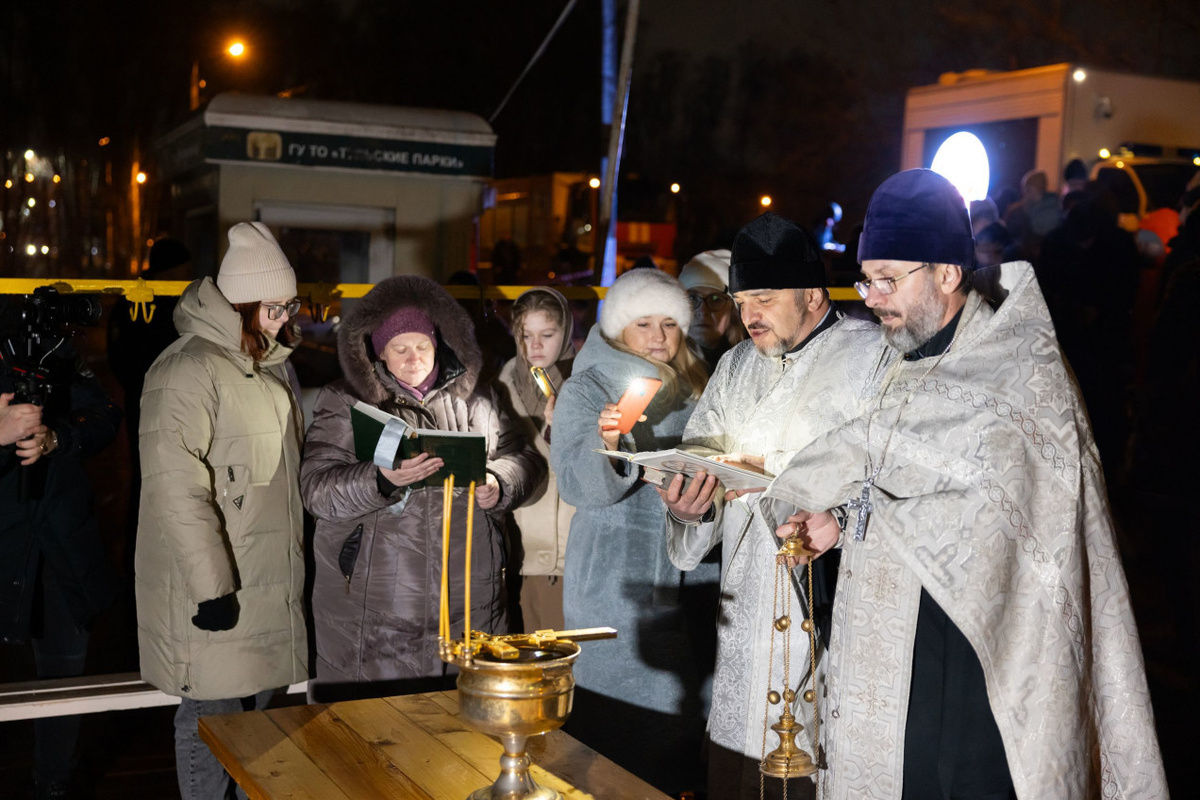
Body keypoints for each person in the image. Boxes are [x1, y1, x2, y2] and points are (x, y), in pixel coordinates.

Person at [762, 169, 1166, 799]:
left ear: (947, 273)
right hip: (887, 647)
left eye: (887, 279)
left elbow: (1001, 515)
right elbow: (875, 463)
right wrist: (830, 510)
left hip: (983, 656)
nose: (869, 296)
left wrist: (867, 516)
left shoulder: (1022, 372)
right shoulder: (898, 358)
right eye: (865, 278)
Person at [660, 212, 879, 799]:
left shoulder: (870, 356)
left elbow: (890, 472)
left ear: (811, 294)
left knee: (814, 757)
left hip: (823, 589)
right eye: (741, 299)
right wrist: (689, 506)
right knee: (739, 756)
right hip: (745, 600)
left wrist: (808, 496)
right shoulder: (734, 366)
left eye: (763, 297)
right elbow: (702, 453)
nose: (748, 314)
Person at [300, 275, 542, 698]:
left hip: (472, 604)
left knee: (465, 737)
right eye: (400, 349)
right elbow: (317, 490)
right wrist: (379, 479)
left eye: (423, 346)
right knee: (381, 740)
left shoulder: (478, 400)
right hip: (378, 614)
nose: (414, 358)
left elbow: (524, 459)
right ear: (378, 352)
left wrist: (499, 482)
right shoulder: (346, 402)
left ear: (440, 345)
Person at [136, 222, 309, 800]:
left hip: (264, 581)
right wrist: (213, 587)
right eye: (275, 306)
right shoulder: (185, 370)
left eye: (290, 305)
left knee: (257, 724)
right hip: (212, 586)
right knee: (210, 722)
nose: (286, 317)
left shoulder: (268, 368)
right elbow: (174, 488)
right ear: (243, 303)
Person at [550, 268, 716, 795]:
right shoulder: (590, 385)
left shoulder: (699, 383)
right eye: (643, 322)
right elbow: (580, 484)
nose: (659, 336)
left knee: (688, 721)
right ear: (619, 327)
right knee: (623, 730)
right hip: (614, 580)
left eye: (670, 323)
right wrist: (615, 438)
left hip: (694, 571)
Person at [0, 308, 121, 800]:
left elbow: (104, 417)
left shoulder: (51, 354)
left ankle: (54, 782)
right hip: (9, 543)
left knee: (62, 680)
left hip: (60, 545)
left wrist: (58, 436)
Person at [494, 287, 576, 633]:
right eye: (526, 335)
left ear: (567, 332)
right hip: (516, 551)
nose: (535, 346)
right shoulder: (502, 384)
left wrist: (567, 428)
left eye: (547, 334)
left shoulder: (582, 384)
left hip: (568, 556)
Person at [678, 249, 747, 371]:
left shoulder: (748, 366)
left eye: (716, 299)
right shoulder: (660, 364)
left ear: (733, 310)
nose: (703, 310)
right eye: (692, 298)